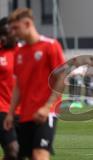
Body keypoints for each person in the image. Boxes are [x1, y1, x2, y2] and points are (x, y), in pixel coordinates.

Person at [3, 8, 65, 160]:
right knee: (26, 155)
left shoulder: (51, 45)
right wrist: (10, 114)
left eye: (16, 28)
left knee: (39, 155)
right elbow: (18, 86)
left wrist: (47, 107)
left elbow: (63, 78)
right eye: (11, 29)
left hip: (46, 113)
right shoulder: (20, 52)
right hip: (25, 115)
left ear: (28, 23)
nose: (13, 32)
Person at [0, 16, 19, 160]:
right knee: (13, 149)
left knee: (14, 154)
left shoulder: (25, 52)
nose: (4, 37)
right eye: (1, 34)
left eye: (6, 33)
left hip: (21, 111)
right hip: (2, 109)